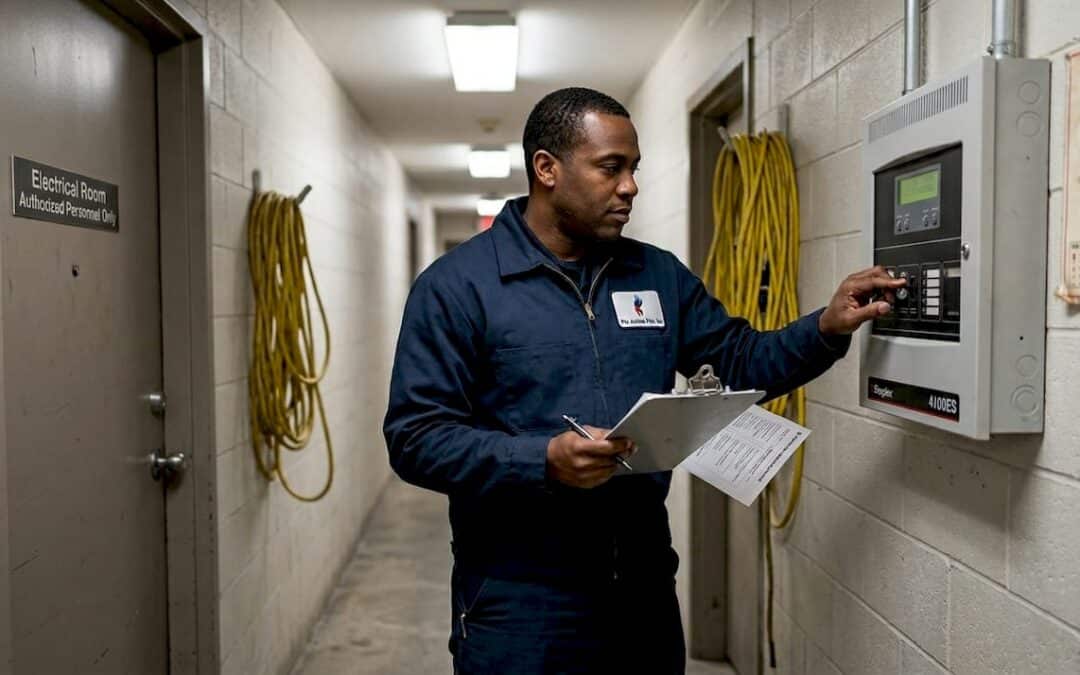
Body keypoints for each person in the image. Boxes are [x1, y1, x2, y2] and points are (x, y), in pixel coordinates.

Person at [383, 87, 903, 674]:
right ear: (546, 169)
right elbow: (415, 438)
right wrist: (542, 460)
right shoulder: (459, 287)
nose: (630, 186)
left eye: (633, 168)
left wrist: (826, 328)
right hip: (518, 598)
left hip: (642, 586)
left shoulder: (657, 275)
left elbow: (740, 359)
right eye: (611, 168)